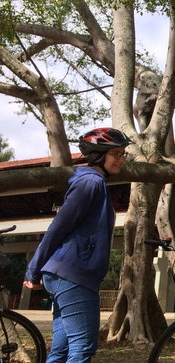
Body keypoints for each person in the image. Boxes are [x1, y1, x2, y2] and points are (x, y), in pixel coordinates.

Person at [24, 128, 133, 363]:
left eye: (123, 153)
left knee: (61, 351)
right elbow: (58, 227)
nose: (122, 159)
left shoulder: (94, 183)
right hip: (74, 275)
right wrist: (33, 269)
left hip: (68, 275)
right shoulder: (90, 183)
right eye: (116, 153)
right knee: (82, 348)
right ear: (98, 155)